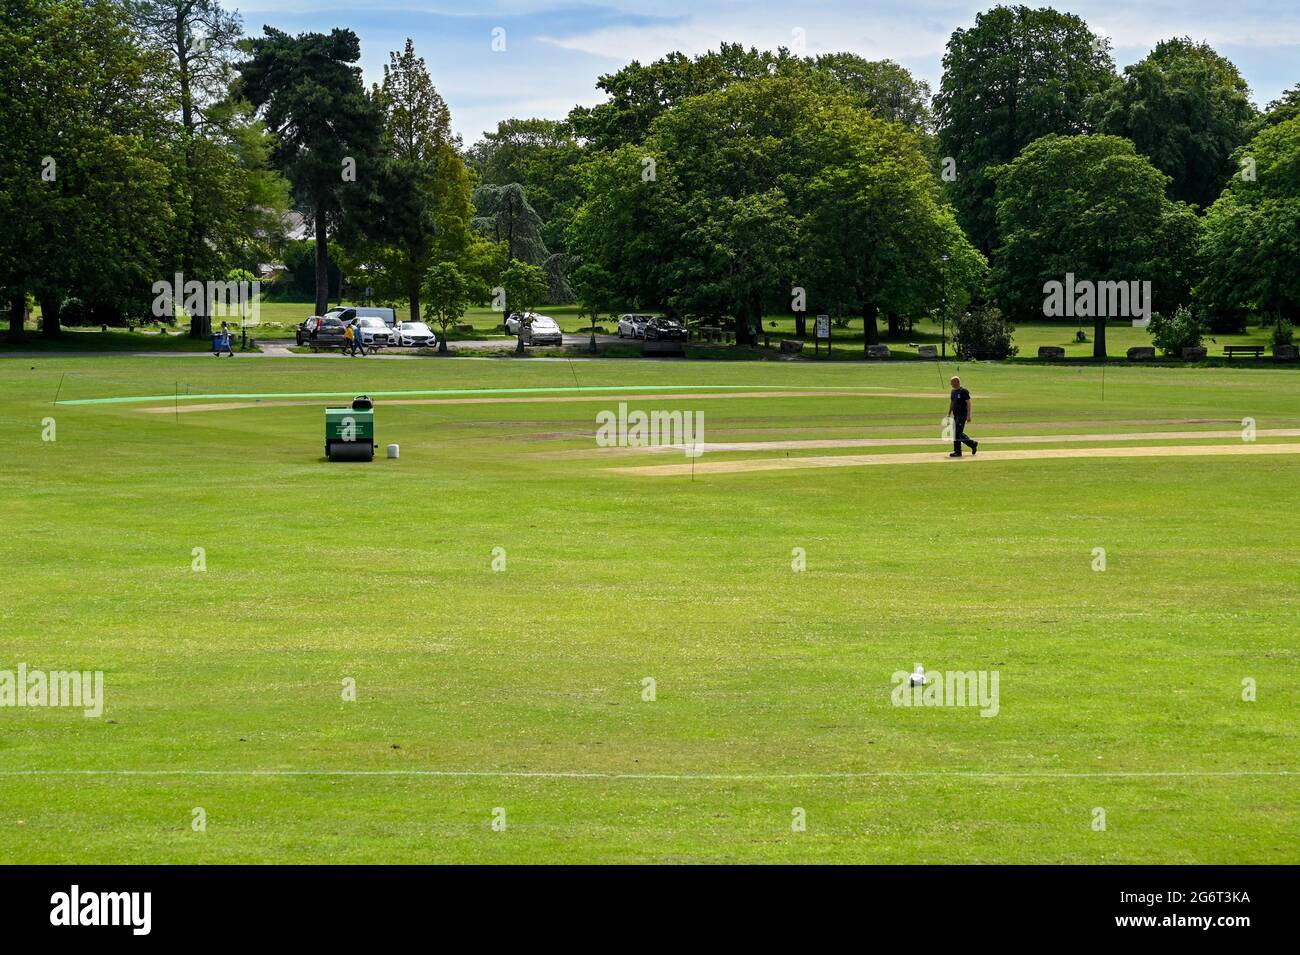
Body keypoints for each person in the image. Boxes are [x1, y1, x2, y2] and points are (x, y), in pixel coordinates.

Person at [947, 375, 978, 458]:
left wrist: (969, 415)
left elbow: (969, 403)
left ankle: (958, 452)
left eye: (952, 382)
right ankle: (972, 443)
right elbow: (952, 402)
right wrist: (949, 413)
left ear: (957, 382)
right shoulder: (953, 391)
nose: (951, 384)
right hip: (956, 415)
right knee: (957, 433)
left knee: (957, 433)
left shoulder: (963, 391)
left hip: (962, 415)